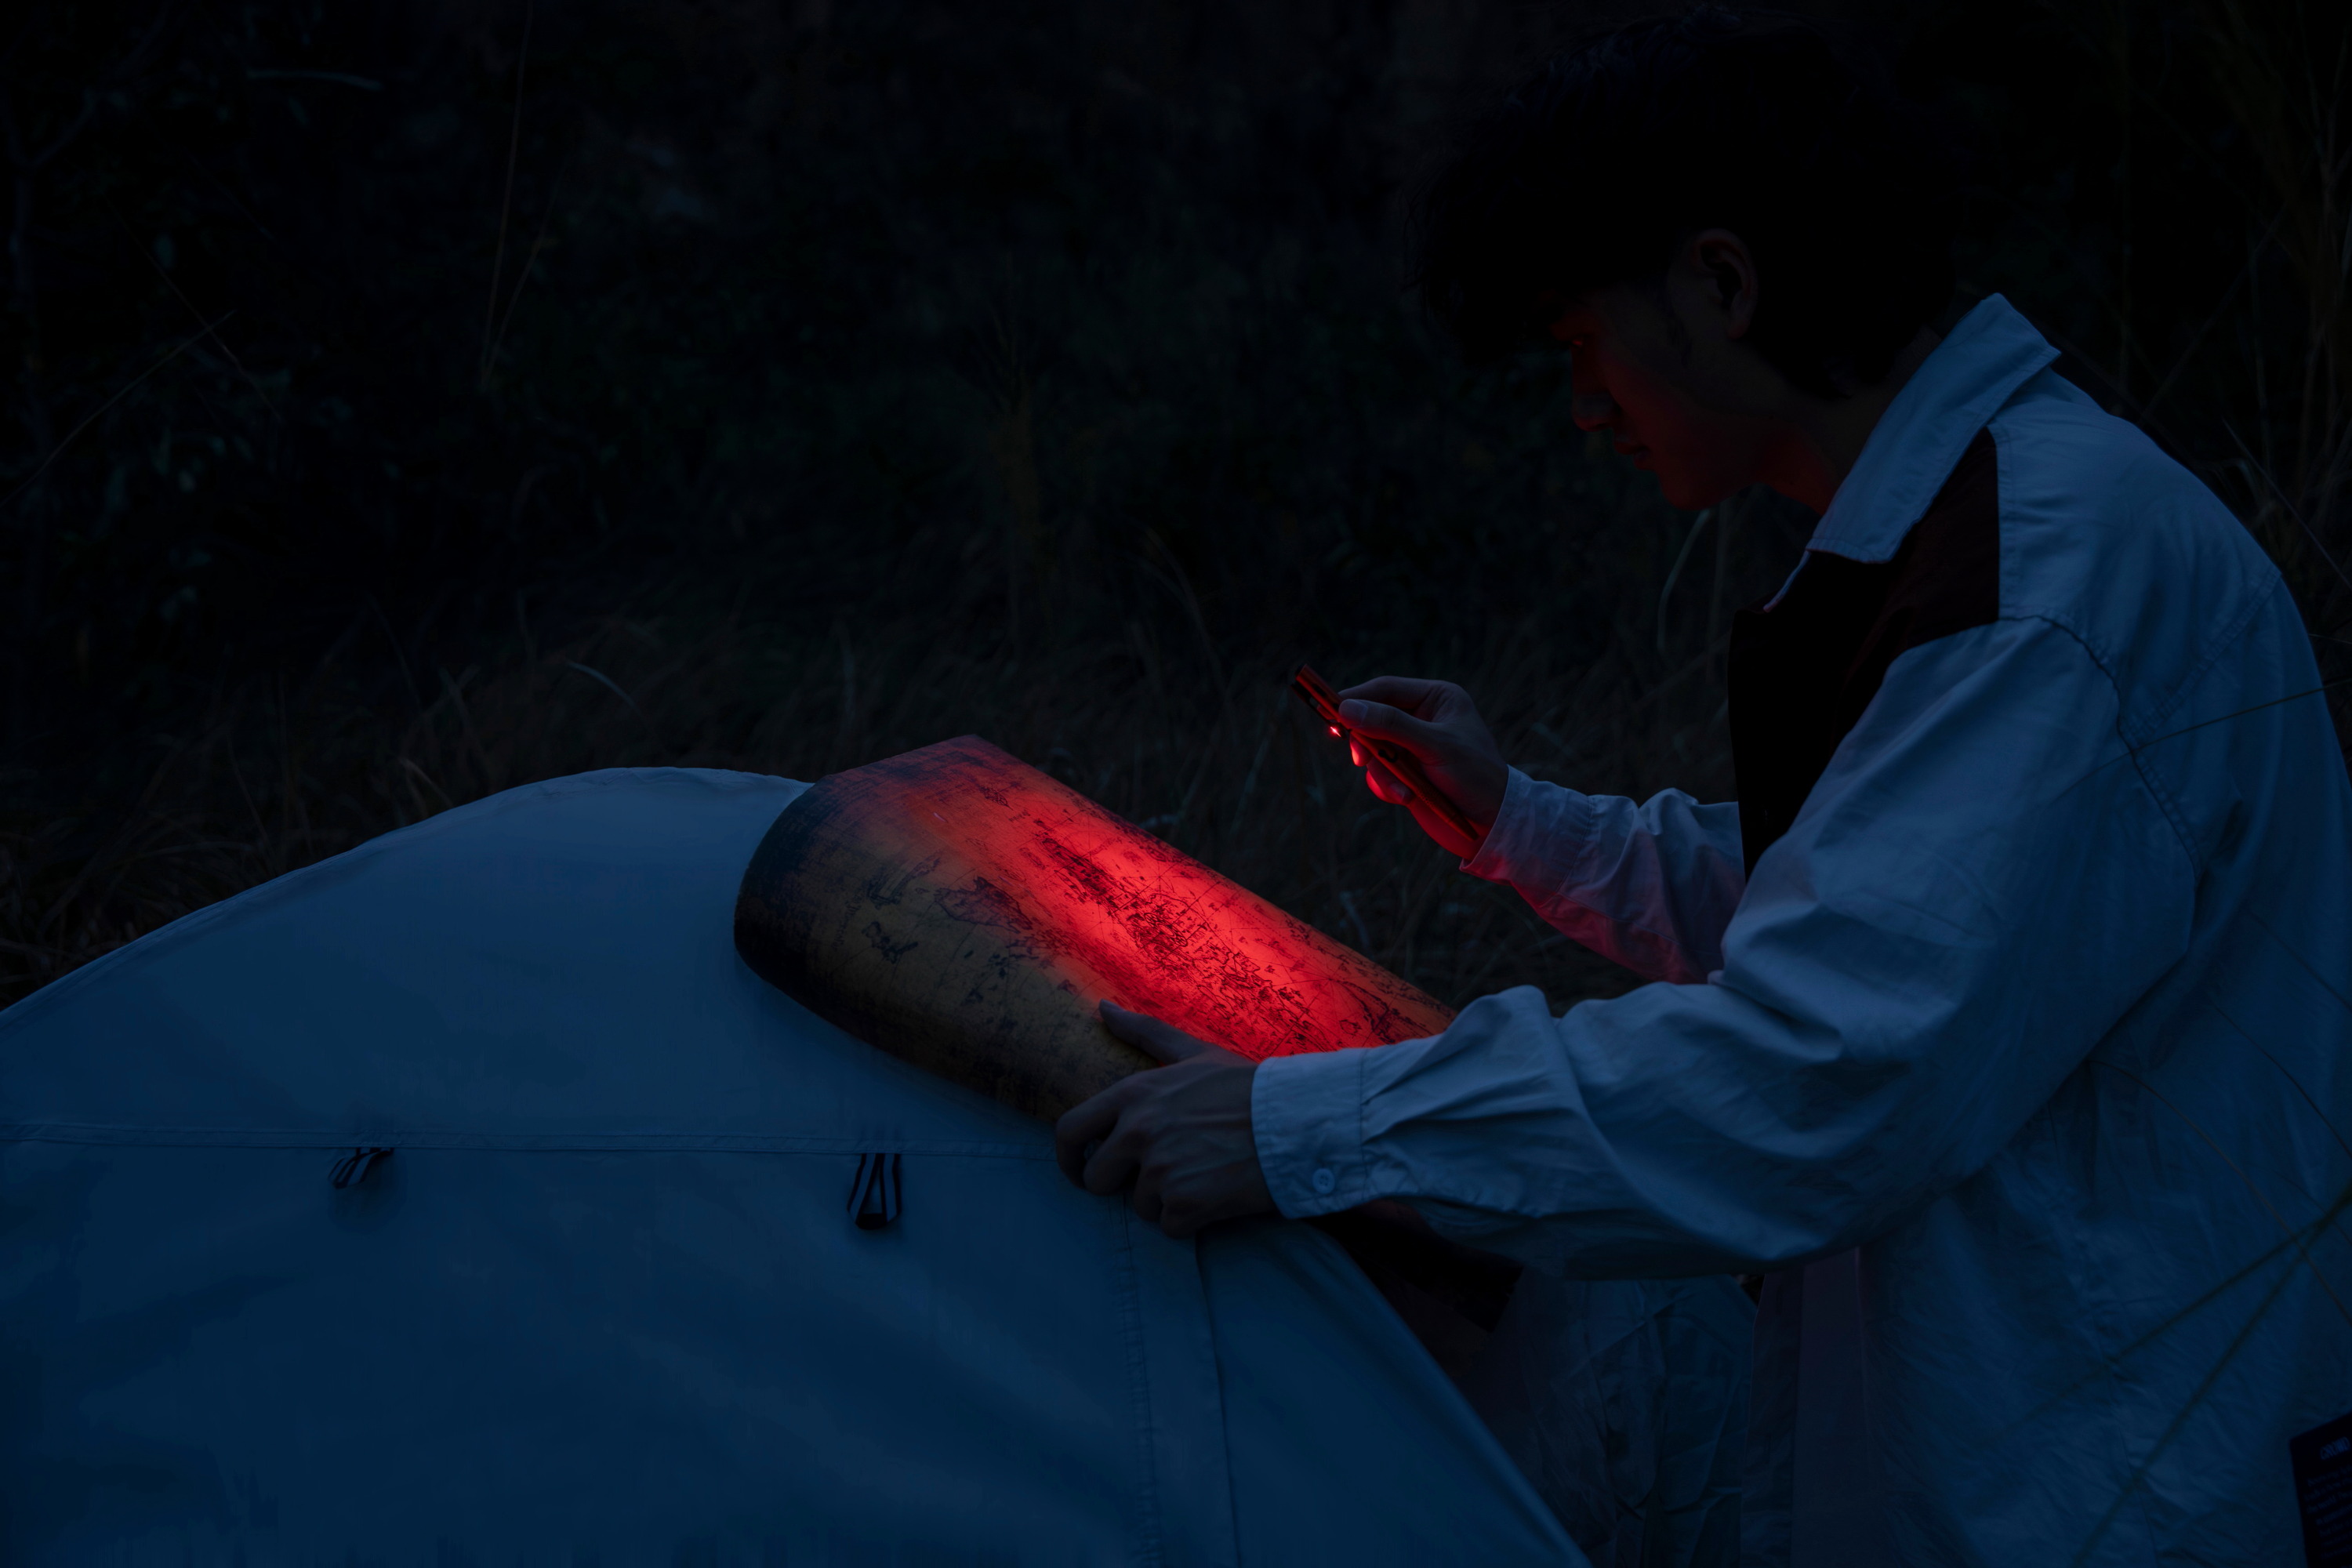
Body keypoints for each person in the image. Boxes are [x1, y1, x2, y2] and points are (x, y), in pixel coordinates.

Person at [1052, 8, 2352, 1566]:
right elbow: (1872, 909)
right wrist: (1517, 821)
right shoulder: (1972, 533)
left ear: (1723, 287)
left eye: (1584, 347)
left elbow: (1818, 1075)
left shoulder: (2039, 585)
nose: (1586, 405)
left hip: (2103, 1483)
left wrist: (1304, 1126)